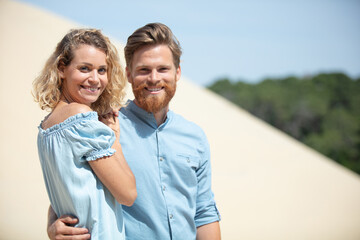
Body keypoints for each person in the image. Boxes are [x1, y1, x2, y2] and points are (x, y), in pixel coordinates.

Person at [48, 23, 221, 240]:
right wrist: (53, 225)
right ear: (129, 74)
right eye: (144, 70)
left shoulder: (195, 137)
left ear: (177, 72)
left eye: (163, 69)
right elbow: (72, 185)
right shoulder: (105, 126)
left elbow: (204, 212)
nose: (154, 78)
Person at [33, 28, 137, 239]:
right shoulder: (80, 118)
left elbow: (65, 191)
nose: (95, 79)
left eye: (101, 70)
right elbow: (128, 194)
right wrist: (114, 138)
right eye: (84, 68)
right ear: (62, 68)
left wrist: (51, 225)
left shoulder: (46, 126)